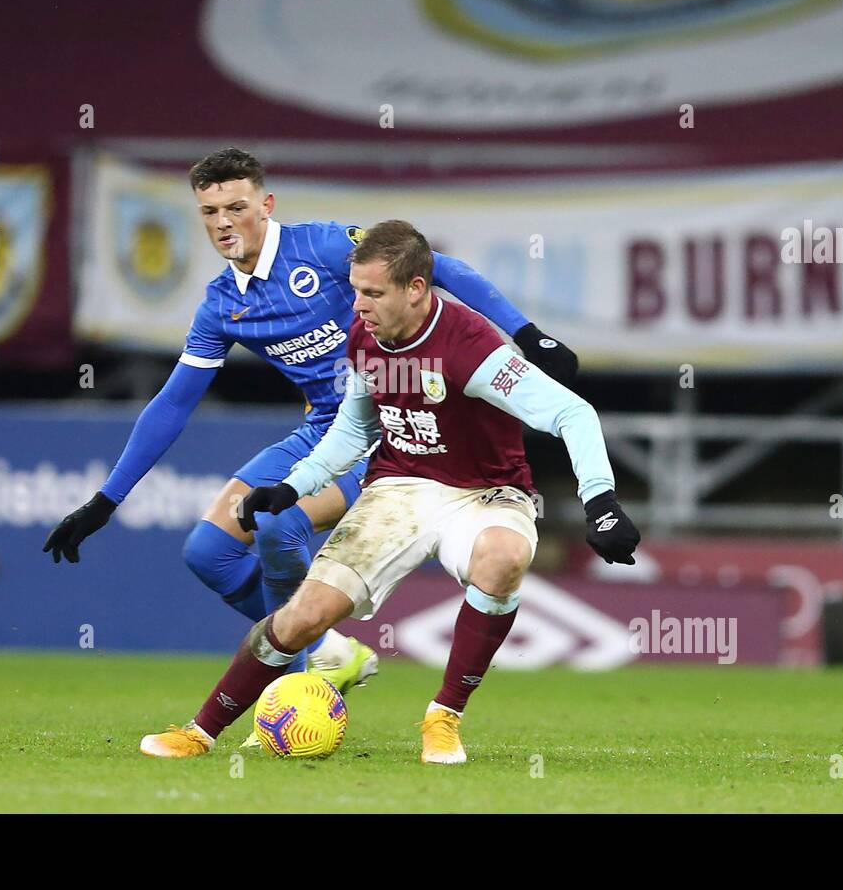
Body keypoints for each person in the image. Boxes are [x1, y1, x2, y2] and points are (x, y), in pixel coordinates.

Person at [43, 148, 579, 695]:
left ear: (266, 204)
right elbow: (173, 403)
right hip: (321, 427)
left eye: (236, 206)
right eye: (209, 212)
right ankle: (328, 651)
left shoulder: (321, 247)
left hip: (384, 429)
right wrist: (106, 499)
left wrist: (526, 332)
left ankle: (291, 693)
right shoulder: (222, 305)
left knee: (278, 523)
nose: (224, 223)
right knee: (209, 552)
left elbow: (439, 268)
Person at [138, 219, 639, 763]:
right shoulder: (363, 338)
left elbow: (572, 411)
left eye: (373, 293)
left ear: (416, 289)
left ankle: (443, 718)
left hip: (485, 493)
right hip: (397, 488)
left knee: (504, 557)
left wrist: (601, 502)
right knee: (302, 618)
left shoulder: (472, 346)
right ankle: (201, 731)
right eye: (355, 290)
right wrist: (293, 486)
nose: (358, 305)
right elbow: (355, 430)